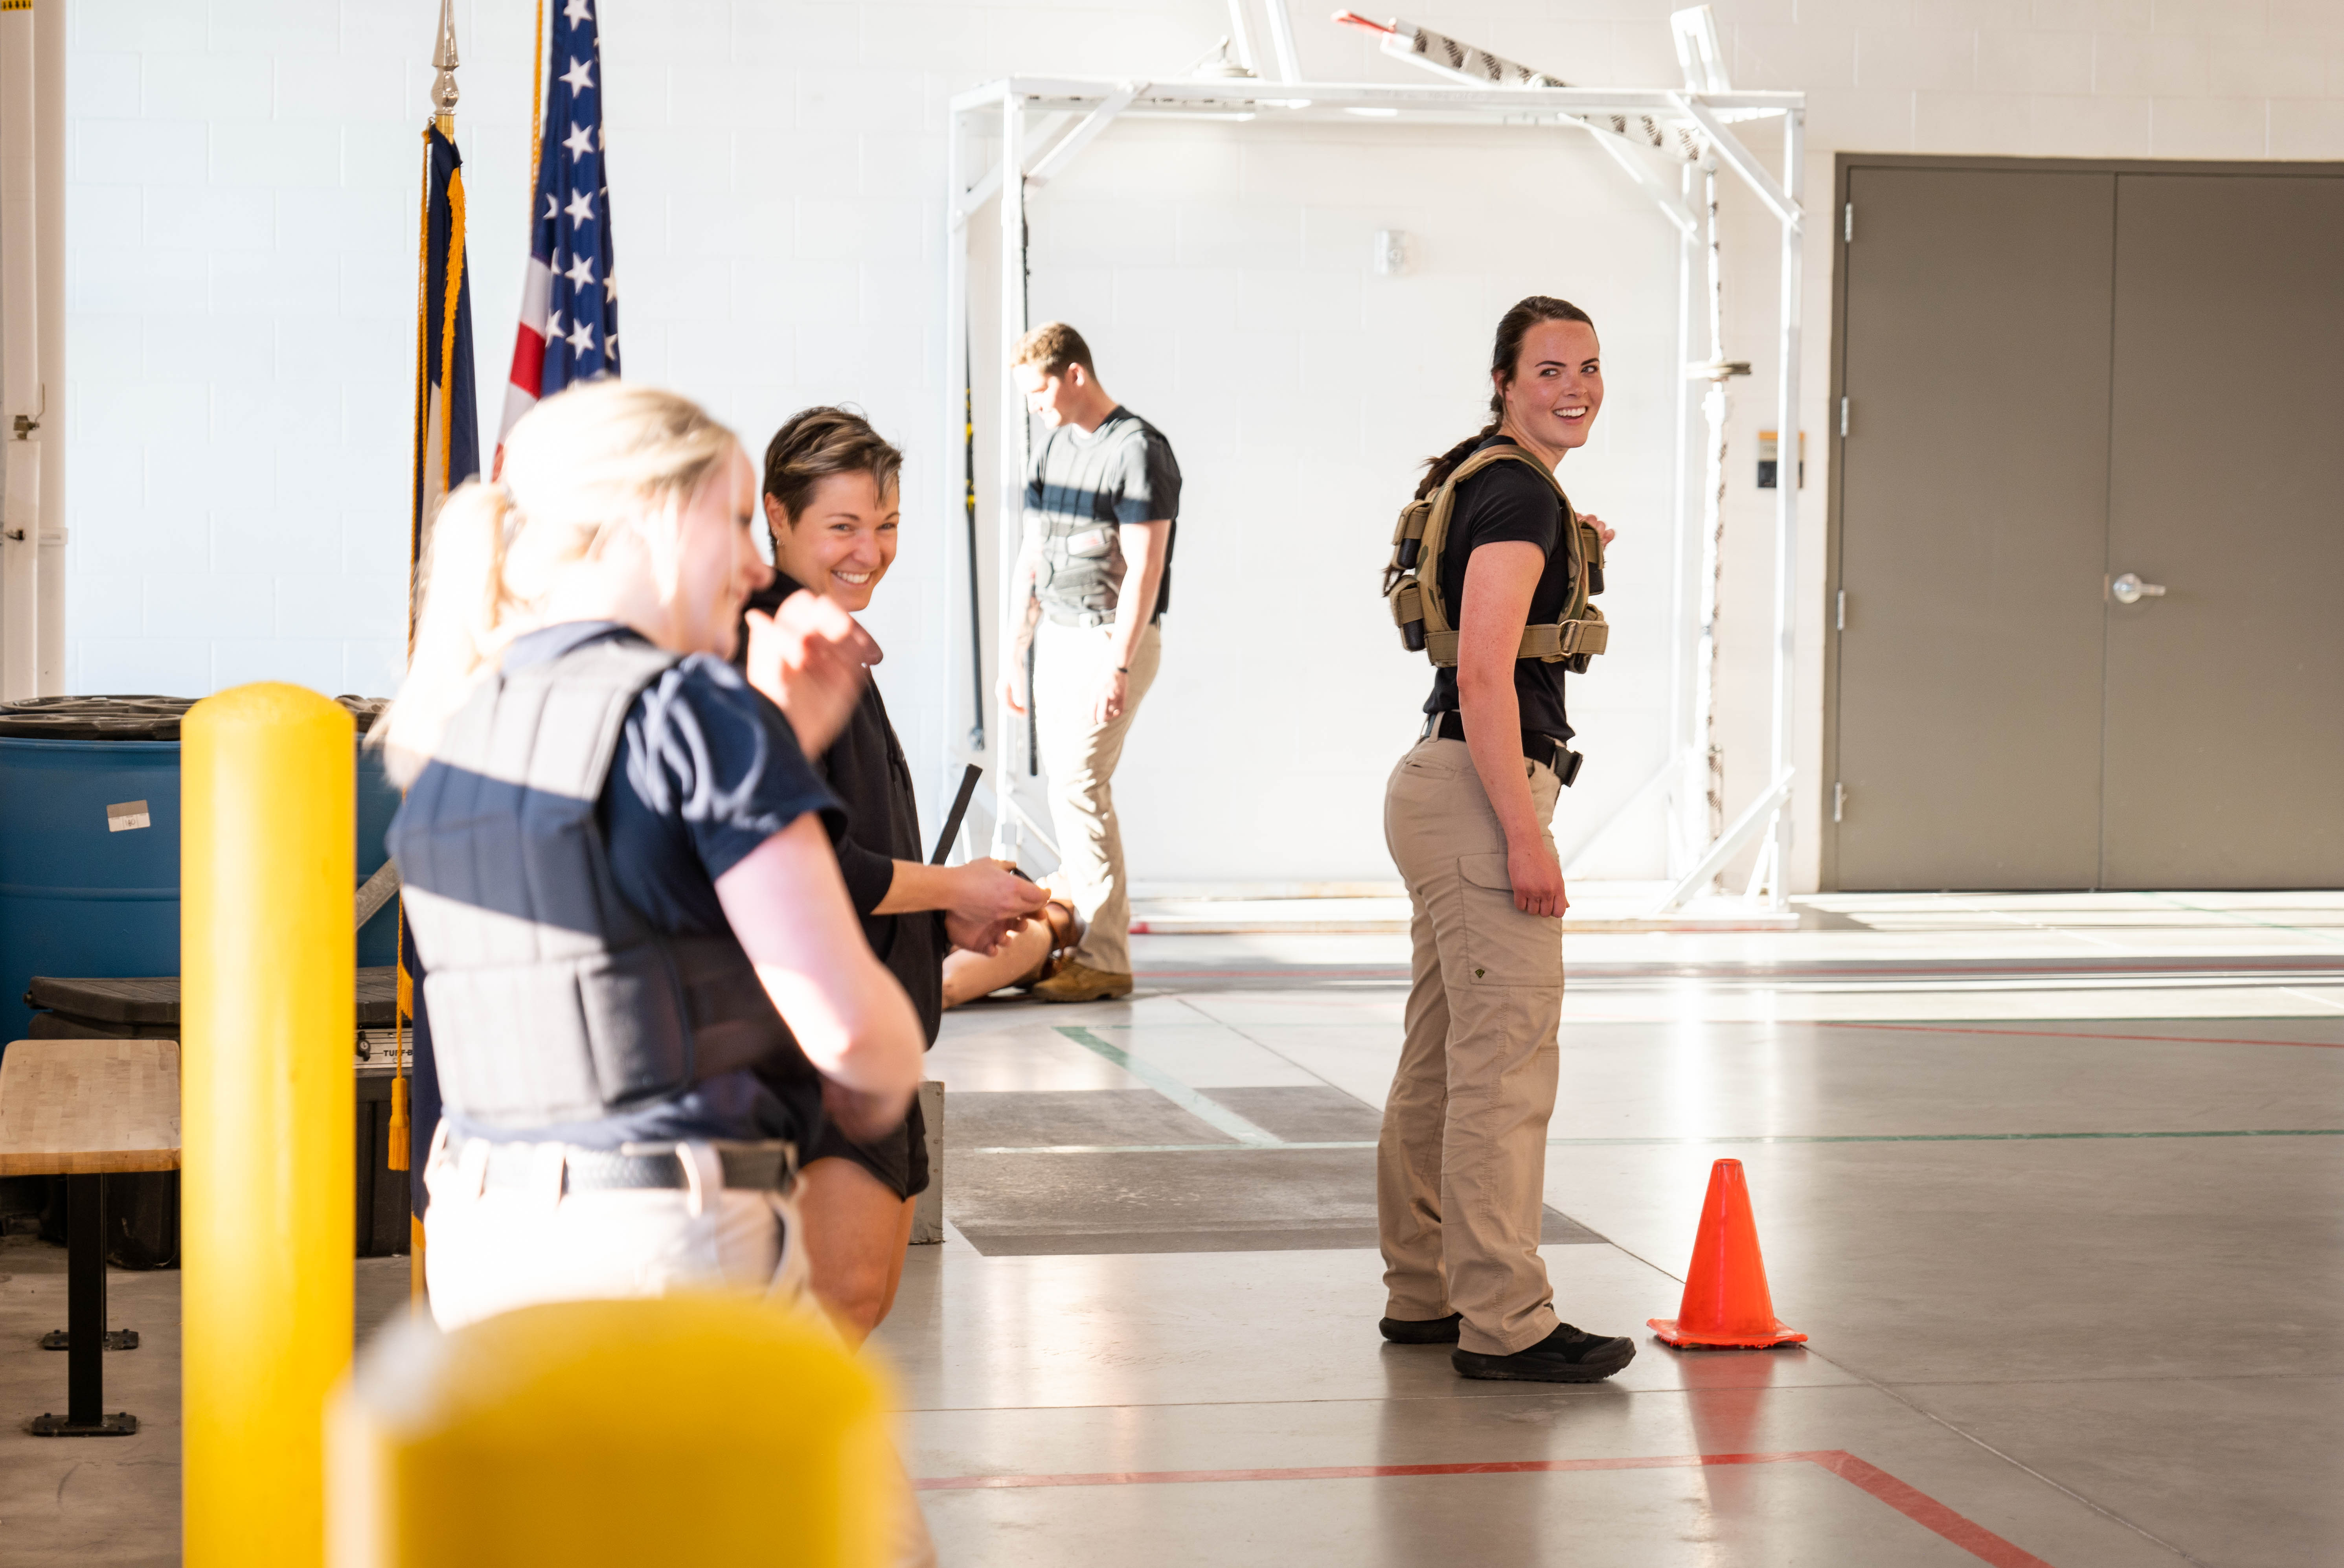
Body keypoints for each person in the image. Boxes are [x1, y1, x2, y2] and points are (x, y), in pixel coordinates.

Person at [744, 405, 1053, 1340]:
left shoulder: (826, 635)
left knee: (858, 1301)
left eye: (887, 527)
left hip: (867, 1029)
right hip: (811, 1042)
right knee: (833, 1307)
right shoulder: (773, 649)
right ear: (777, 516)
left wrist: (940, 915)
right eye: (843, 526)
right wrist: (954, 888)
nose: (871, 552)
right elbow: (804, 863)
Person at [1375, 297, 1637, 1384]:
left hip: (1438, 785)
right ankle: (1506, 1317)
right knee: (1504, 1064)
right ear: (1504, 381)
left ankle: (1426, 1288)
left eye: (1587, 367)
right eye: (1548, 370)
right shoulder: (1518, 491)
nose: (1573, 386)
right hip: (1482, 795)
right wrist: (1526, 837)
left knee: (1442, 1053)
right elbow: (1484, 672)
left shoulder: (1484, 477)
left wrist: (1567, 550)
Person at [999, 322, 1182, 1004]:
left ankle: (1105, 957)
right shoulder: (1052, 444)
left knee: (1079, 783)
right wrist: (1013, 654)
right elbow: (1033, 553)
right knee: (1066, 791)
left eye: (1040, 391)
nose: (1035, 406)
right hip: (1059, 635)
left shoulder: (1137, 450)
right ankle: (1079, 936)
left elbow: (1145, 567)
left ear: (1075, 375)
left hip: (1112, 638)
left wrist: (1120, 664)